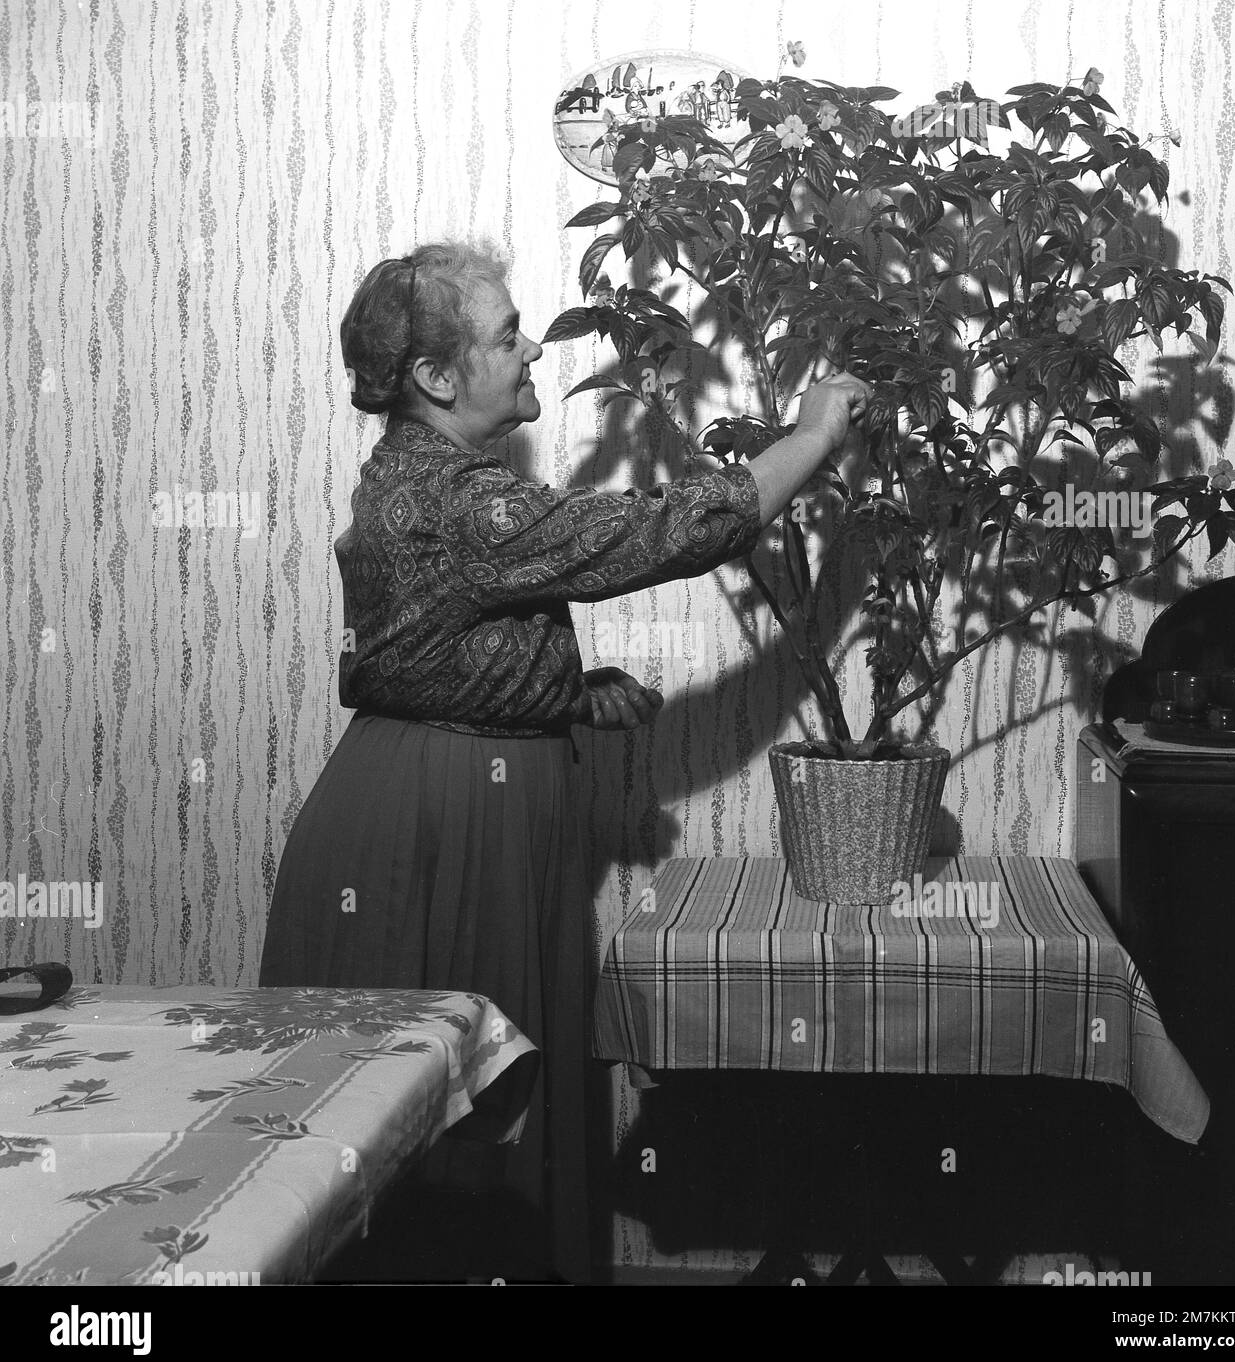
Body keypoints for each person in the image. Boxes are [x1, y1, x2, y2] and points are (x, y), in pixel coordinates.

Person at [258, 241, 869, 1283]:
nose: (533, 346)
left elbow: (422, 651)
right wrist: (809, 437)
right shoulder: (465, 502)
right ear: (436, 378)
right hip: (439, 835)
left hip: (446, 803)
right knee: (450, 1129)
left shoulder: (429, 483)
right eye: (506, 335)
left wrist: (557, 690)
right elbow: (660, 532)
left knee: (445, 1116)